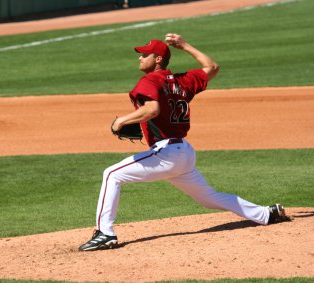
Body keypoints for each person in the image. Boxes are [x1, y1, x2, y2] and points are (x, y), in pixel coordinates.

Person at [78, 33, 289, 251]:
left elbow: (152, 109)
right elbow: (213, 67)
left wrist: (121, 121)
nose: (140, 58)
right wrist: (184, 45)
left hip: (166, 153)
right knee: (209, 197)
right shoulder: (181, 81)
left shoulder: (150, 80)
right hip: (184, 153)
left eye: (145, 55)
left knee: (112, 174)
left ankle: (105, 233)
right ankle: (265, 213)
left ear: (158, 59)